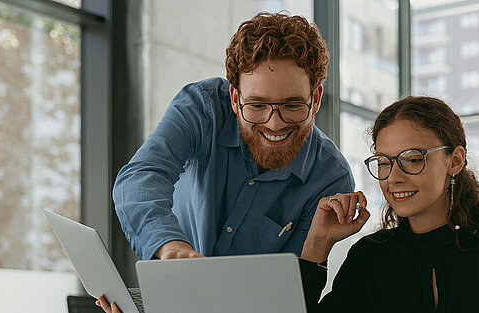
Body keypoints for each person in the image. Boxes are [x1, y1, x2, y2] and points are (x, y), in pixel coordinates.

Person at [96, 12, 355, 313]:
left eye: (293, 105)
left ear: (316, 98)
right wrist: (171, 247)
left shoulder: (330, 178)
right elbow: (141, 177)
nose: (274, 124)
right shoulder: (202, 108)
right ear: (234, 97)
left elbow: (285, 296)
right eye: (257, 105)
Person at [299, 96, 479, 312]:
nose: (394, 178)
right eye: (384, 162)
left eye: (412, 159)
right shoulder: (370, 259)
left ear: (455, 160)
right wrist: (318, 243)